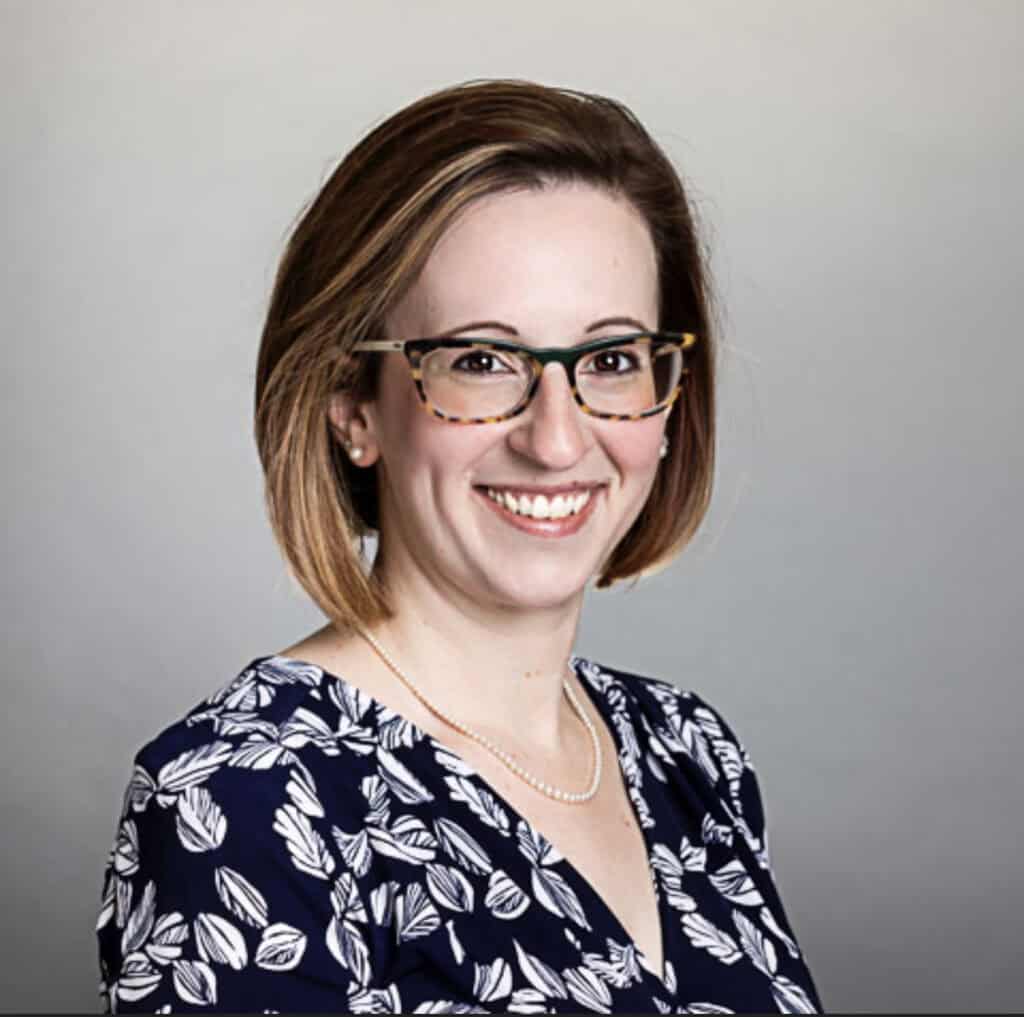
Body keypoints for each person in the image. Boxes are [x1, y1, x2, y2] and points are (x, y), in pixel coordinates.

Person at [95, 79, 823, 1014]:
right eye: (481, 361)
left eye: (608, 360)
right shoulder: (242, 800)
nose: (556, 439)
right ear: (353, 405)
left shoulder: (689, 756)